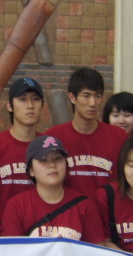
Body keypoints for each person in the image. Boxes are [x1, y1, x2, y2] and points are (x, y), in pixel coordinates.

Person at [44, 67, 126, 197]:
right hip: (67, 208)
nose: (92, 103)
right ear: (72, 97)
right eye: (86, 96)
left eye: (97, 96)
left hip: (107, 208)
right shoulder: (53, 137)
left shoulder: (118, 136)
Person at [0, 76, 45, 209]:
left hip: (42, 221)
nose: (30, 105)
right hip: (1, 221)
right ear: (10, 106)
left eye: (36, 99)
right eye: (22, 99)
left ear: (42, 105)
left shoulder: (49, 147)